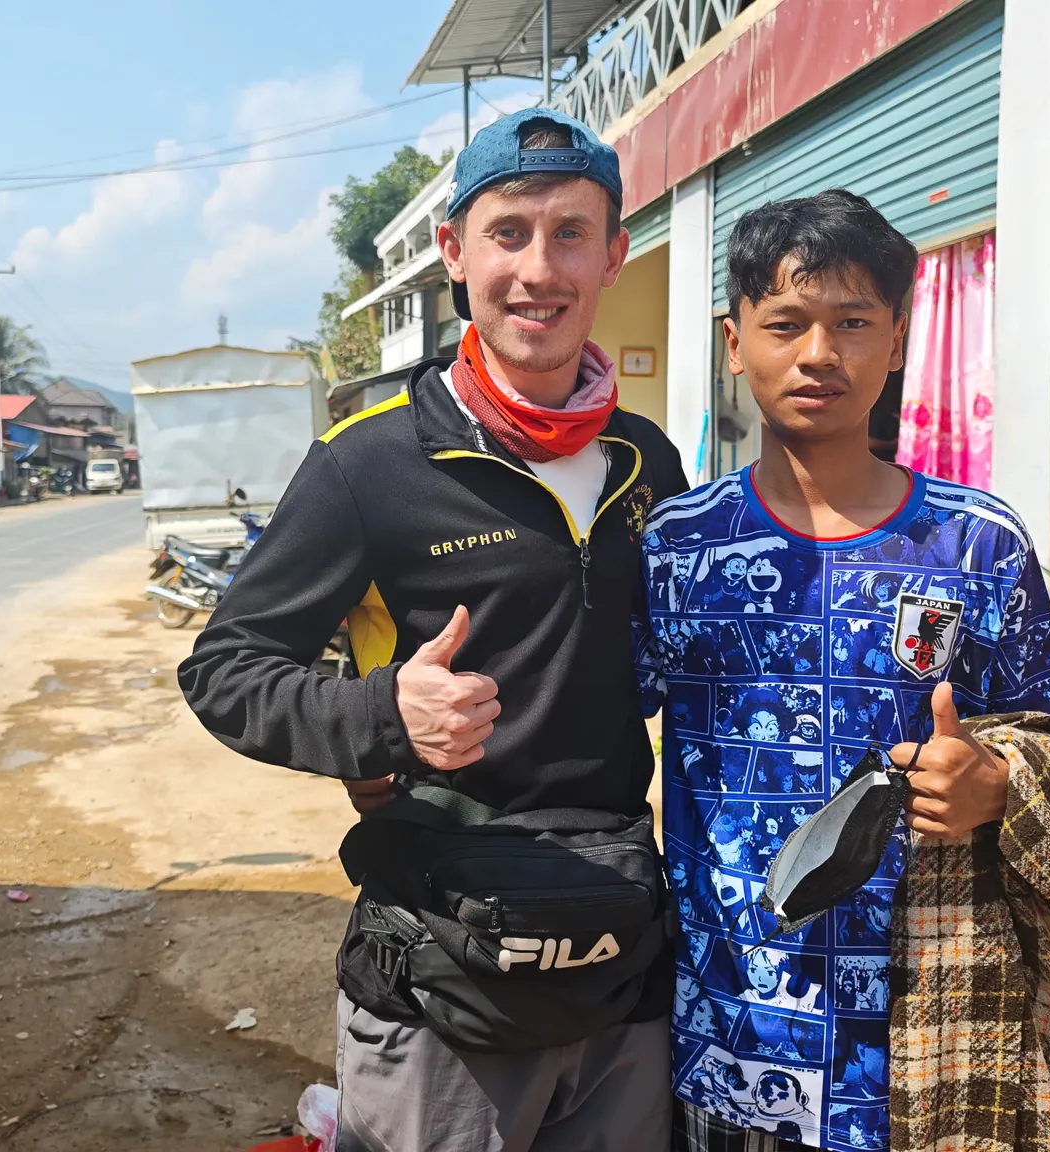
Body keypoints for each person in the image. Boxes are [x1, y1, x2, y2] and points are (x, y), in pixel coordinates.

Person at [639, 189, 1050, 1151]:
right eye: (786, 324)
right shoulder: (674, 550)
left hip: (937, 1041)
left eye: (854, 323)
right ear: (736, 344)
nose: (820, 355)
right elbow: (593, 737)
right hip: (730, 1036)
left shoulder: (975, 545)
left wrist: (998, 785)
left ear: (898, 340)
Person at [178, 107, 688, 1151]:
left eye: (569, 233)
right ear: (454, 253)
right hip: (444, 974)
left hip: (619, 964)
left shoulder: (648, 462)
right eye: (507, 232)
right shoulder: (368, 463)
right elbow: (223, 669)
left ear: (613, 255)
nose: (537, 268)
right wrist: (380, 716)